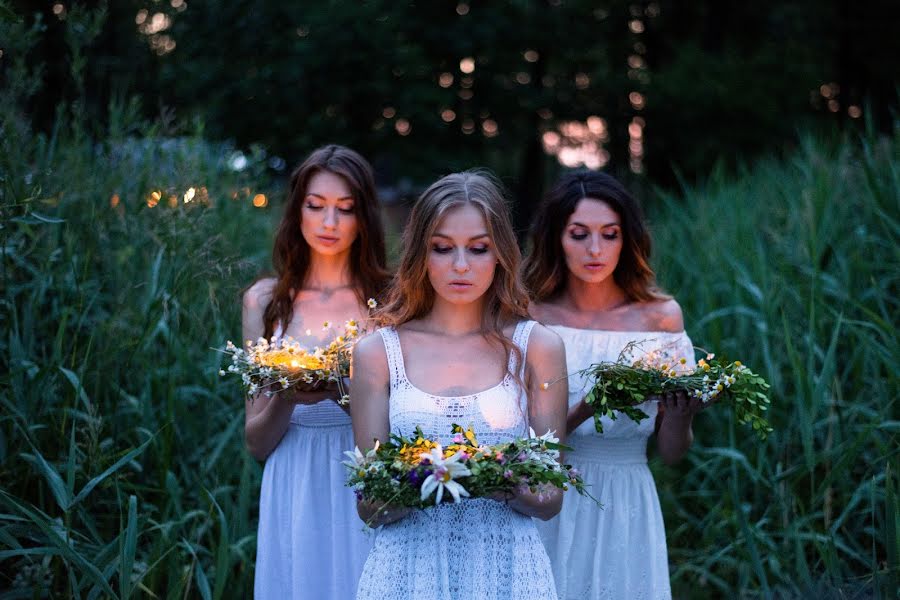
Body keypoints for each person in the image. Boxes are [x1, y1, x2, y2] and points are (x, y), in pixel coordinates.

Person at [350, 171, 568, 599]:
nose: (461, 265)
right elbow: (369, 507)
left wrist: (502, 483)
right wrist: (424, 479)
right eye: (443, 248)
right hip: (407, 571)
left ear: (502, 253)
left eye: (479, 248)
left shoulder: (538, 347)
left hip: (506, 569)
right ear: (419, 255)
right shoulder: (377, 353)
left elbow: (550, 498)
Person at [524, 171, 702, 600]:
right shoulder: (531, 314)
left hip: (628, 497)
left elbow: (673, 453)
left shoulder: (660, 317)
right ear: (555, 238)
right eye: (579, 234)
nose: (595, 250)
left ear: (628, 239)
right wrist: (588, 407)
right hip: (550, 492)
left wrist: (681, 414)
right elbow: (519, 444)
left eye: (610, 234)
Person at [242, 145, 389, 599]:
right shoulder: (265, 302)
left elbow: (400, 424)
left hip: (363, 475)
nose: (329, 223)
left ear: (363, 217)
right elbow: (257, 442)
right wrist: (287, 393)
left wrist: (340, 393)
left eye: (344, 209)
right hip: (294, 478)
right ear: (296, 210)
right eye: (316, 206)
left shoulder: (389, 303)